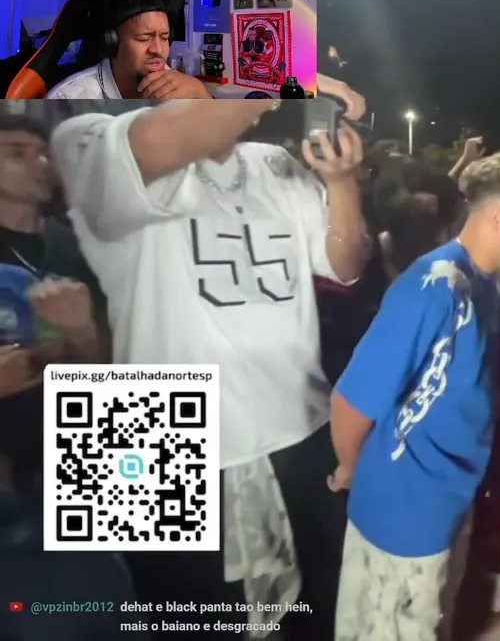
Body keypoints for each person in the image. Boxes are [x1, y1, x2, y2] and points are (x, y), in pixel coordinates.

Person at [50, 94, 369, 640]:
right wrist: (281, 70)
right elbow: (166, 139)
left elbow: (346, 267)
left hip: (295, 416)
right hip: (143, 430)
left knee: (318, 611)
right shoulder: (86, 138)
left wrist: (341, 182)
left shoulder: (273, 162)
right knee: (179, 619)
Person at [329, 150, 500, 641]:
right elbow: (351, 402)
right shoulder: (434, 287)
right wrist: (351, 468)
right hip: (404, 515)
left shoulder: (487, 284)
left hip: (448, 503)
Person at [0, 114, 109, 498]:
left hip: (77, 450)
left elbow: (108, 366)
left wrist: (81, 335)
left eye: (45, 154)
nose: (41, 164)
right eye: (17, 154)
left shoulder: (79, 244)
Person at [46, 0, 211, 101]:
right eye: (144, 38)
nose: (159, 50)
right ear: (111, 42)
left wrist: (202, 94)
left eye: (164, 37)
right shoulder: (68, 101)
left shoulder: (183, 90)